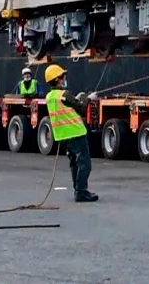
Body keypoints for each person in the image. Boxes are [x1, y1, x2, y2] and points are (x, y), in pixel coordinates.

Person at [44, 64, 97, 202]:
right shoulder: (64, 95)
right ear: (57, 80)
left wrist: (76, 99)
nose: (65, 79)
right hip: (75, 133)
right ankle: (81, 192)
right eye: (63, 77)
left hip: (62, 136)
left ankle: (78, 190)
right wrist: (90, 98)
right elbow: (81, 109)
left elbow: (68, 105)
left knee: (74, 164)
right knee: (84, 164)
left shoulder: (50, 96)